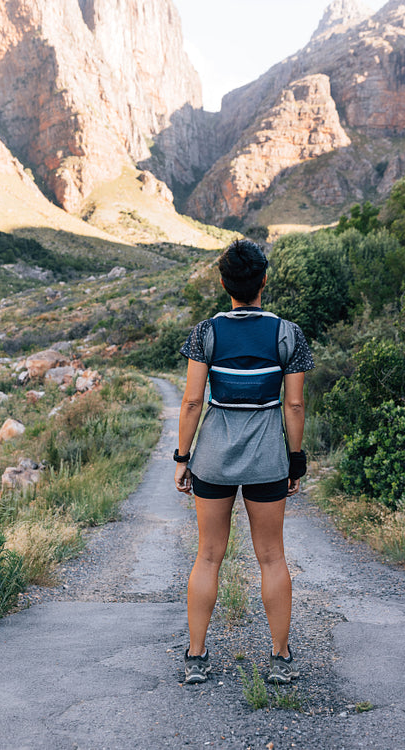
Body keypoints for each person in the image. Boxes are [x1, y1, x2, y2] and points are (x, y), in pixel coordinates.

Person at [174, 238, 314, 685]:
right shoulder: (288, 333)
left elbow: (193, 401)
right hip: (267, 458)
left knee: (208, 556)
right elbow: (294, 407)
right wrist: (295, 460)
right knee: (272, 557)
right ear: (264, 281)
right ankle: (280, 659)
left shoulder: (205, 332)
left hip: (212, 457)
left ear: (223, 284)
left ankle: (196, 659)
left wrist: (183, 458)